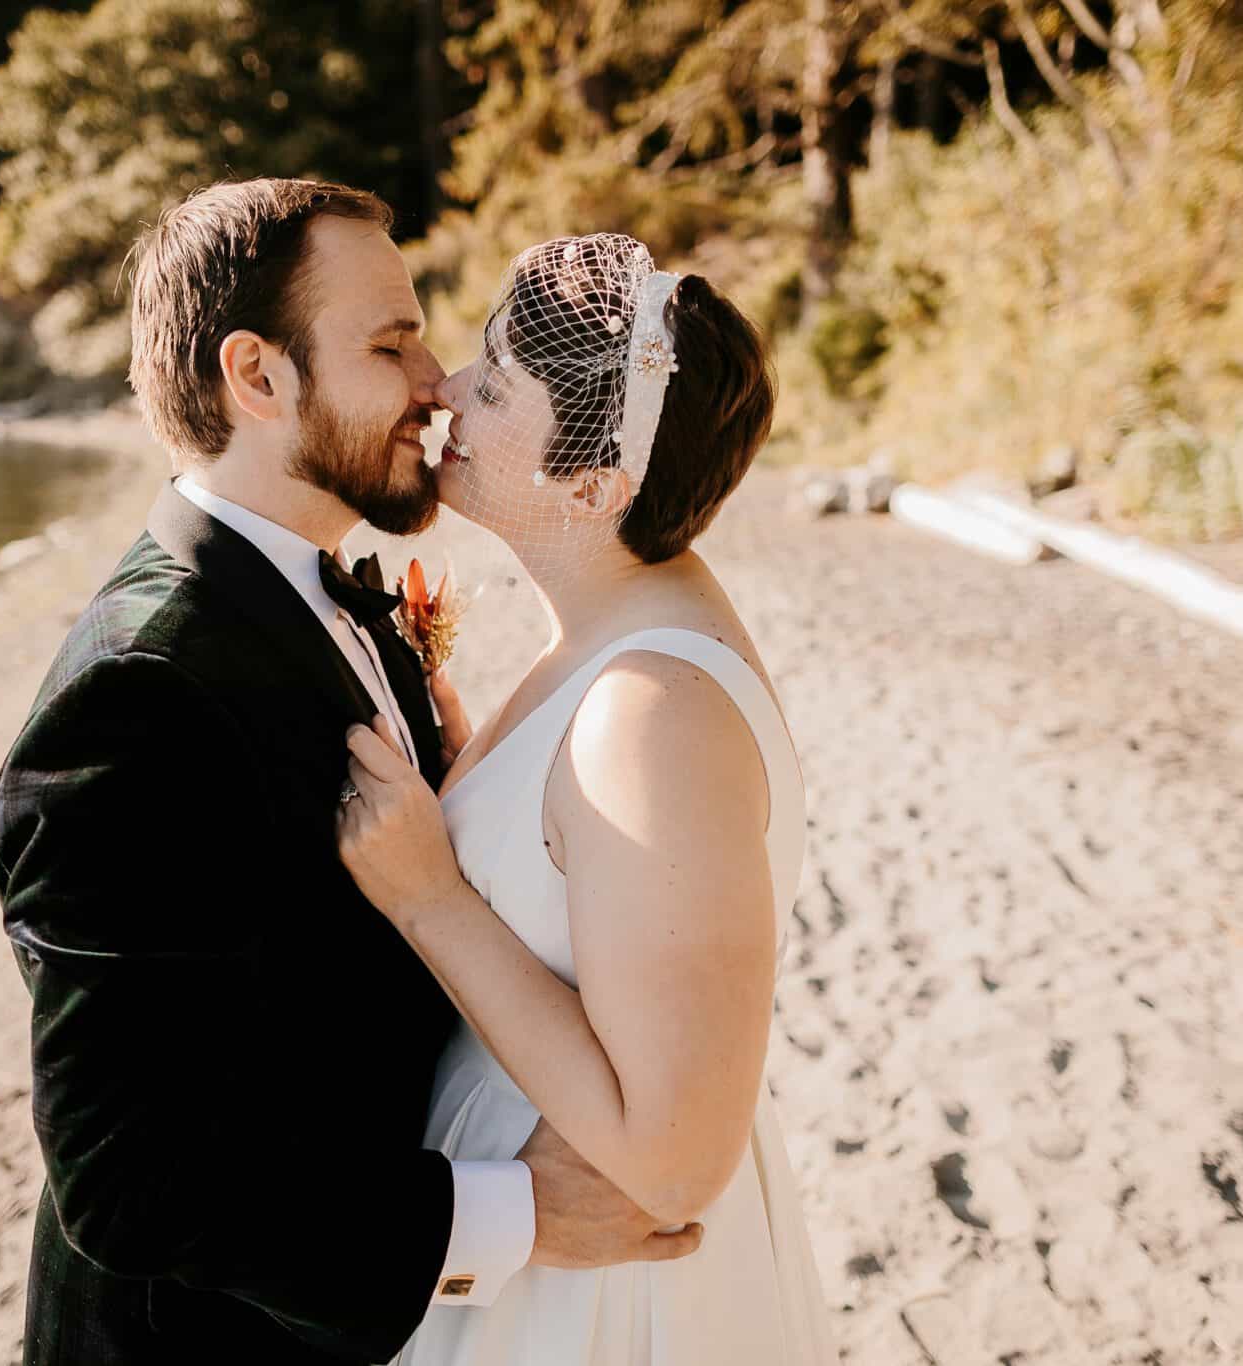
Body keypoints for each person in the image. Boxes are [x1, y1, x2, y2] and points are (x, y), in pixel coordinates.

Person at [0, 183, 701, 1366]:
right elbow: (129, 1191)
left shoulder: (321, 592)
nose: (435, 379)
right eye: (390, 342)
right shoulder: (135, 704)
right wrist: (519, 1216)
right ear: (257, 378)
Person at [335, 234, 837, 1364]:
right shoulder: (615, 632)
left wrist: (432, 898)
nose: (450, 393)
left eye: (497, 383)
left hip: (593, 1290)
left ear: (594, 482)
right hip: (523, 1226)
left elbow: (669, 1159)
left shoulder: (652, 709)